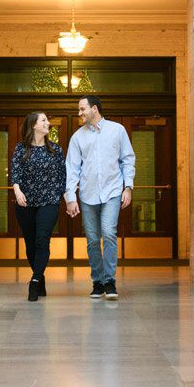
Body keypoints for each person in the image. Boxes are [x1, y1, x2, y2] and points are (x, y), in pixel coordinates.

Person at [64, 95, 134, 300]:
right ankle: (98, 282)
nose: (80, 113)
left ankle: (110, 281)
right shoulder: (77, 137)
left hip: (112, 192)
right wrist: (71, 197)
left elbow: (128, 160)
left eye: (82, 109)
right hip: (88, 195)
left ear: (94, 109)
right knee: (93, 240)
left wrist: (128, 187)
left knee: (109, 233)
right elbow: (72, 169)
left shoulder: (117, 130)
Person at [10, 111, 66, 301]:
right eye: (44, 120)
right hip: (25, 202)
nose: (48, 123)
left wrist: (64, 198)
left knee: (43, 239)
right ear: (34, 125)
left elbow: (62, 176)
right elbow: (15, 173)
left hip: (49, 201)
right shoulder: (20, 148)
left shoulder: (55, 150)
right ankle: (40, 277)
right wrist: (17, 192)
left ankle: (34, 281)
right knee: (31, 243)